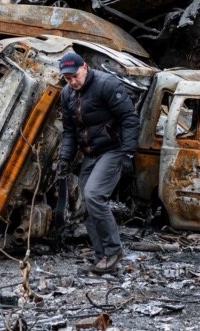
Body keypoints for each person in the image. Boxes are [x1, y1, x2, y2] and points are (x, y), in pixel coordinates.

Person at [54, 52, 140, 274]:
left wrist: (128, 154)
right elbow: (70, 131)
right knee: (86, 202)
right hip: (90, 153)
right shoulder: (67, 95)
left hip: (113, 150)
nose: (72, 82)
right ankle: (101, 257)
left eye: (74, 76)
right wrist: (65, 158)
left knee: (94, 195)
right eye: (67, 78)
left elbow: (129, 118)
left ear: (84, 67)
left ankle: (114, 251)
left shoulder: (106, 85)